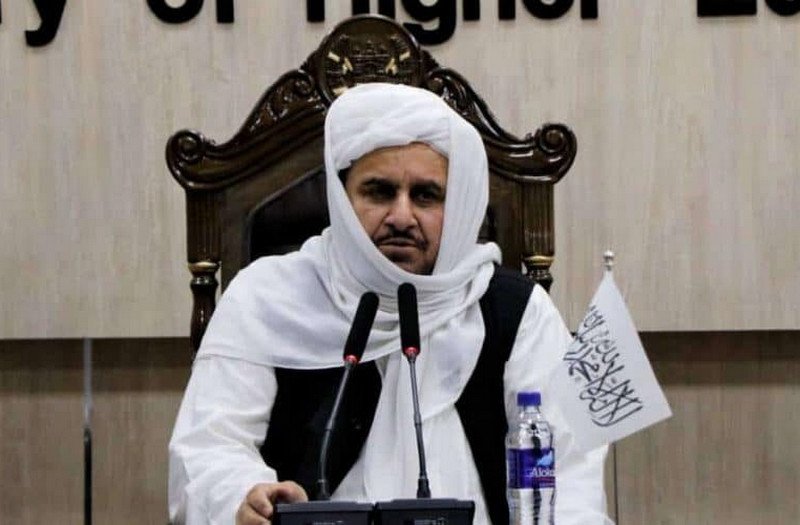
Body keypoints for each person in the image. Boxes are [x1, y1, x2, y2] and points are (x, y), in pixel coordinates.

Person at [168, 83, 611, 525]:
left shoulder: (521, 311)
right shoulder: (265, 297)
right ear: (342, 200)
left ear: (457, 206)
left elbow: (571, 472)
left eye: (425, 195)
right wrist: (243, 496)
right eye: (379, 192)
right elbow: (210, 446)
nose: (401, 217)